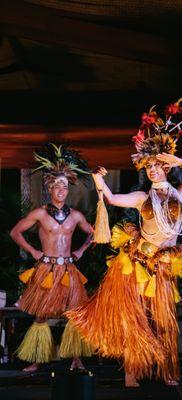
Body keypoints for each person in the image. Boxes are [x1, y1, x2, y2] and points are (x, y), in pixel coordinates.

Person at [66, 98, 182, 386]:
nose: (152, 170)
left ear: (166, 168)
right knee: (134, 317)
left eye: (157, 166)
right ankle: (132, 372)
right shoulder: (142, 198)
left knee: (162, 319)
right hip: (136, 263)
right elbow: (110, 199)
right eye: (148, 167)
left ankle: (169, 371)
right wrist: (100, 182)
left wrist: (181, 161)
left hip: (164, 264)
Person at [10, 144, 94, 372]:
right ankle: (37, 359)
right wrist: (33, 251)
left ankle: (76, 359)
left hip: (68, 269)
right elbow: (15, 232)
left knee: (75, 315)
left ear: (68, 190)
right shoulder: (38, 213)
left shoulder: (76, 216)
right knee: (40, 316)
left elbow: (94, 233)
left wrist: (81, 250)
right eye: (57, 186)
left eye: (65, 186)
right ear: (49, 188)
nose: (61, 190)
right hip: (46, 268)